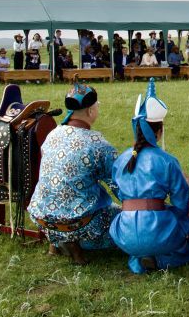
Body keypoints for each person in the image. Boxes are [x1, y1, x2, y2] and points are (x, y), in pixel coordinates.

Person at [109, 80, 189, 274]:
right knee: (184, 226)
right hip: (158, 230)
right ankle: (160, 257)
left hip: (125, 232)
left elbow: (116, 190)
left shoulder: (121, 159)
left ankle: (139, 256)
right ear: (159, 130)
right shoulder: (167, 161)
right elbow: (181, 200)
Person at [28, 83, 120, 265]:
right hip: (78, 222)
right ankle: (76, 245)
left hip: (41, 216)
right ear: (90, 111)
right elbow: (118, 185)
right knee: (121, 216)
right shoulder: (99, 144)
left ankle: (56, 243)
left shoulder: (53, 134)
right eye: (97, 106)